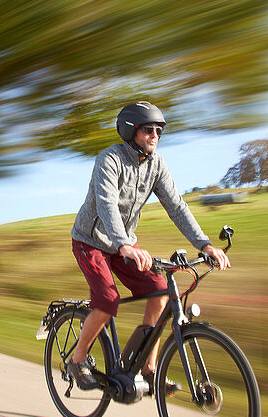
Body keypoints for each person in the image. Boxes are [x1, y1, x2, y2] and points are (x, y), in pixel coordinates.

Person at [68, 100, 230, 393]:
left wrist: (204, 245)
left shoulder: (157, 164)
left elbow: (177, 207)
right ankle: (77, 361)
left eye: (159, 130)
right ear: (131, 130)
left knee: (161, 293)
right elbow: (107, 205)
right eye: (148, 130)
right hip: (90, 241)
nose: (155, 135)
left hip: (123, 243)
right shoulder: (110, 159)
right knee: (107, 301)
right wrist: (124, 245)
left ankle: (148, 367)